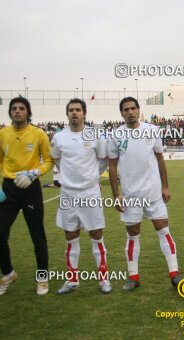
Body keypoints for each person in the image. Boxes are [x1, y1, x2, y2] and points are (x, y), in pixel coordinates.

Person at [108, 97, 182, 291]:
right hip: (130, 195)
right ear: (122, 113)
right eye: (126, 109)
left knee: (163, 230)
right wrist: (116, 194)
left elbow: (160, 159)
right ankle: (133, 277)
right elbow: (112, 166)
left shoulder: (152, 130)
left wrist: (165, 186)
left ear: (139, 110)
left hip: (153, 191)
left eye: (133, 108)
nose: (130, 112)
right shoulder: (116, 135)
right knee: (133, 235)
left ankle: (174, 273)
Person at [51, 99, 112, 294]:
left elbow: (103, 160)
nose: (74, 113)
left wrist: (93, 177)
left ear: (84, 113)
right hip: (68, 193)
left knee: (96, 234)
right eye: (71, 110)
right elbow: (57, 160)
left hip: (89, 192)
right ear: (67, 114)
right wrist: (68, 178)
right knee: (70, 236)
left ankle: (104, 278)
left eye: (78, 110)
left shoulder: (95, 135)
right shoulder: (59, 138)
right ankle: (72, 280)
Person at [0, 97, 53, 295]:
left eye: (22, 108)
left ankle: (42, 278)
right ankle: (7, 273)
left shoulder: (38, 133)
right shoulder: (3, 134)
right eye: (14, 108)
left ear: (28, 112)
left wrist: (35, 173)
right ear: (10, 112)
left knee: (37, 235)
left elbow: (48, 161)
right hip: (9, 188)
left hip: (30, 187)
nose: (17, 111)